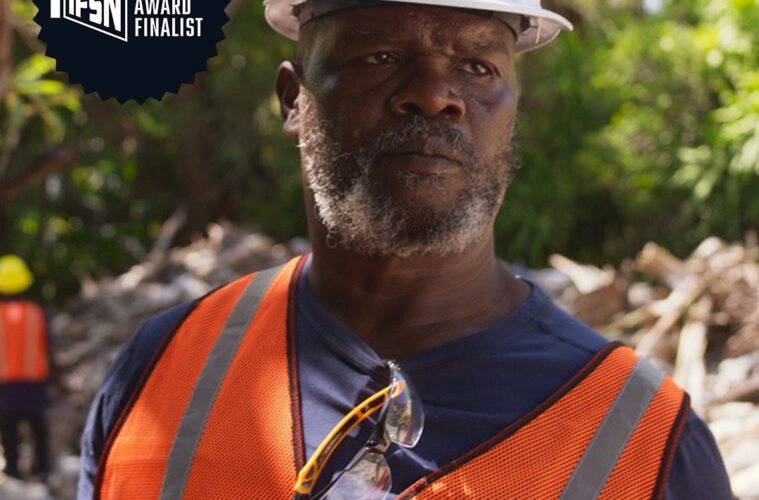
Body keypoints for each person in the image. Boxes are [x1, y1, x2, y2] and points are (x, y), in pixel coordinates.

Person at [78, 0, 734, 498]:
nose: (434, 95)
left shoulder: (646, 442)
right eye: (379, 57)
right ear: (293, 101)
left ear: (513, 114)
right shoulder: (163, 370)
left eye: (476, 67)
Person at [0, 254, 52, 482]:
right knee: (39, 430)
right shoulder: (36, 312)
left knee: (9, 433)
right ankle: (43, 473)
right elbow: (49, 349)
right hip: (34, 382)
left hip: (5, 384)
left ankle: (14, 474)